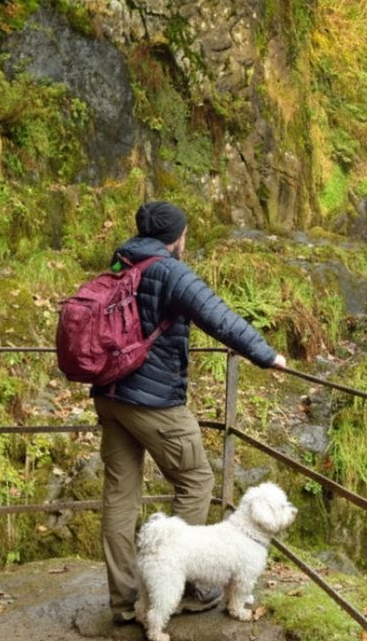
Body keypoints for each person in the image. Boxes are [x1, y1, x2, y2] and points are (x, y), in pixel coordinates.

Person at [93, 201, 287, 626]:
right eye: (185, 234)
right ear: (176, 237)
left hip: (110, 394)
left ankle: (126, 602)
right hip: (152, 399)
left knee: (121, 497)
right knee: (197, 479)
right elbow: (217, 315)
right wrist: (265, 354)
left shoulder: (121, 261)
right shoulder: (169, 270)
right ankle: (178, 580)